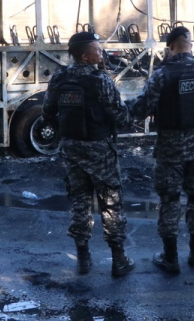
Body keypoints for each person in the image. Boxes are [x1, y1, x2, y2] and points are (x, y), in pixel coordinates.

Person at [130, 26, 194, 273]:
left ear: (170, 47)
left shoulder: (162, 74)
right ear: (190, 44)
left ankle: (170, 256)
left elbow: (141, 108)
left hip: (169, 147)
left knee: (169, 200)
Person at [41, 31, 135, 277]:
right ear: (85, 56)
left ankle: (83, 259)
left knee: (80, 202)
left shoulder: (59, 78)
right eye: (98, 49)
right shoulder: (101, 80)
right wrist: (131, 113)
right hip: (99, 149)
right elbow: (120, 116)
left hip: (71, 148)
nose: (101, 53)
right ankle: (118, 260)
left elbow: (47, 112)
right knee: (111, 203)